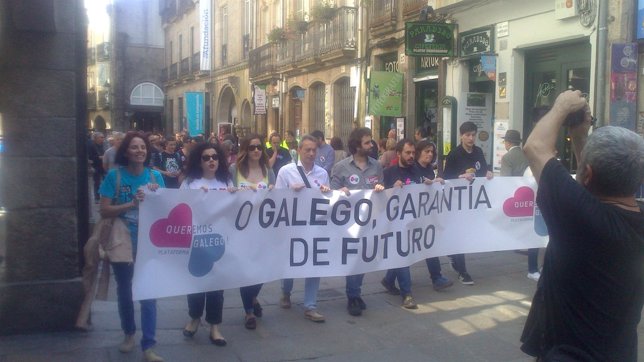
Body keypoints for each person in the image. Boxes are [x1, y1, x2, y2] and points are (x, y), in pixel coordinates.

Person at [520, 90, 644, 361]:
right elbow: (588, 190)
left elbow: (534, 148)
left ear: (586, 174)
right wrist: (579, 135)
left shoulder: (587, 220)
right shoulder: (624, 221)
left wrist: (561, 106)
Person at [98, 132, 165, 362]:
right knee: (125, 291)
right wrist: (131, 203)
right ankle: (129, 333)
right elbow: (104, 210)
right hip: (122, 242)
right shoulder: (114, 177)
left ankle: (149, 345)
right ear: (126, 151)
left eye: (143, 147)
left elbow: (164, 210)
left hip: (149, 243)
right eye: (135, 147)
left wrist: (157, 197)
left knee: (149, 294)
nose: (140, 151)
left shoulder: (156, 176)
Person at [180, 143, 233, 346]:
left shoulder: (226, 181)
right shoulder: (191, 183)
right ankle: (194, 317)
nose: (211, 160)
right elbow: (181, 207)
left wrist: (236, 194)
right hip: (196, 240)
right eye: (206, 157)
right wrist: (194, 198)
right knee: (195, 281)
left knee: (216, 285)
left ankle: (215, 326)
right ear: (199, 161)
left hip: (220, 240)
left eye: (214, 157)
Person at [276, 135, 331, 323]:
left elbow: (328, 200)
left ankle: (310, 305)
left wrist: (326, 191)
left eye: (314, 150)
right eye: (307, 149)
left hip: (314, 225)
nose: (311, 153)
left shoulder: (322, 173)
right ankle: (286, 291)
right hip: (292, 225)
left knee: (314, 264)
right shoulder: (286, 171)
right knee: (290, 263)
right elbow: (276, 198)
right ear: (299, 150)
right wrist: (290, 191)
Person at [331, 127, 385, 316]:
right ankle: (353, 296)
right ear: (356, 145)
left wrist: (380, 188)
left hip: (370, 221)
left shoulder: (376, 166)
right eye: (367, 142)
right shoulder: (341, 167)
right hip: (349, 224)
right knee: (353, 258)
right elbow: (331, 193)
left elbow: (382, 188)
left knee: (363, 257)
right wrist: (340, 192)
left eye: (371, 142)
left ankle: (355, 292)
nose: (371, 145)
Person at [229, 134, 276, 330]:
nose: (256, 150)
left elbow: (277, 198)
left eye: (259, 147)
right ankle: (248, 311)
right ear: (245, 150)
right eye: (251, 147)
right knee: (246, 271)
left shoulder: (269, 170)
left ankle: (254, 297)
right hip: (242, 228)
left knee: (263, 270)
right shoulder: (234, 170)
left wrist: (274, 190)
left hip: (263, 228)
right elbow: (226, 195)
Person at [443, 121, 493, 285]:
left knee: (467, 233)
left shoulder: (478, 152)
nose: (471, 138)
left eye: (473, 135)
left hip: (474, 200)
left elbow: (483, 170)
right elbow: (446, 178)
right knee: (461, 235)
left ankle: (454, 256)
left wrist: (488, 173)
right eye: (468, 135)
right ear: (461, 136)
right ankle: (462, 271)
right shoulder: (454, 154)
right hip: (458, 201)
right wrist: (460, 177)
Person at [380, 139, 420, 309]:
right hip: (394, 222)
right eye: (407, 153)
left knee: (400, 254)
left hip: (412, 221)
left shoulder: (417, 170)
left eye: (413, 153)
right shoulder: (389, 173)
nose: (411, 156)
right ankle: (407, 293)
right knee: (402, 254)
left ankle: (389, 280)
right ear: (398, 154)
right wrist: (391, 188)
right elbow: (380, 197)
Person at [413, 140, 453, 291]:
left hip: (426, 215)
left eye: (431, 152)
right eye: (426, 151)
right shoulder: (414, 168)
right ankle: (389, 279)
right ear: (419, 152)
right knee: (407, 249)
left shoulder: (429, 168)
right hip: (413, 216)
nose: (429, 154)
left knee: (429, 245)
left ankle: (437, 277)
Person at [499, 129, 539, 282]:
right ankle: (531, 263)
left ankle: (519, 244)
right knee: (531, 226)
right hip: (531, 195)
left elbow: (505, 180)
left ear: (508, 143)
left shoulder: (507, 157)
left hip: (516, 197)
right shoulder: (527, 155)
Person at [88, 131, 106, 202]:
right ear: (95, 138)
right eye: (101, 137)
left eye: (103, 137)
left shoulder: (103, 145)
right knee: (97, 182)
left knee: (106, 181)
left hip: (103, 165)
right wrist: (99, 157)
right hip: (96, 166)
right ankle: (97, 197)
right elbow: (91, 157)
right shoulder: (91, 145)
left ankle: (105, 196)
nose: (103, 139)